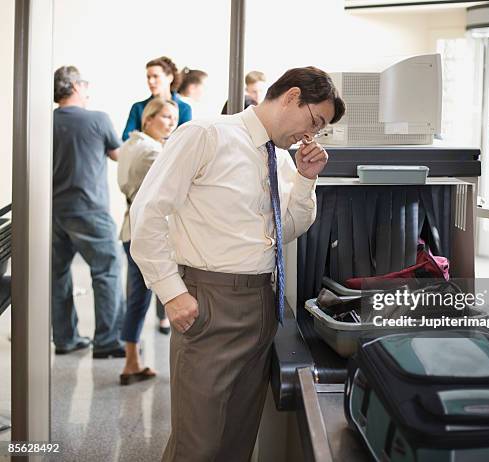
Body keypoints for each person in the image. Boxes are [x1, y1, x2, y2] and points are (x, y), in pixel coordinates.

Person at [129, 66, 345, 461]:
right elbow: (148, 213)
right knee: (199, 444)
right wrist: (172, 292)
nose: (311, 135)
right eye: (315, 121)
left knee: (237, 441)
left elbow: (287, 229)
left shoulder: (277, 158)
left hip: (261, 304)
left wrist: (305, 179)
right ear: (292, 96)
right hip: (210, 302)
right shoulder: (207, 135)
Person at [52, 66, 126, 358]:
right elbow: (118, 155)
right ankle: (108, 342)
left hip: (53, 211)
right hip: (90, 210)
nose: (87, 89)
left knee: (57, 275)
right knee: (107, 272)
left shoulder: (43, 122)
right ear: (75, 86)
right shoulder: (97, 119)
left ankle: (65, 339)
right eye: (84, 84)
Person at [117, 98, 179, 385]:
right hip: (147, 232)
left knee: (137, 299)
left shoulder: (130, 145)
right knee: (168, 298)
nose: (171, 122)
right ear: (149, 118)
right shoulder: (153, 152)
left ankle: (132, 361)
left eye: (173, 117)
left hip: (131, 228)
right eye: (165, 117)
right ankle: (134, 363)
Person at [122, 56, 191, 141]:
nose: (150, 81)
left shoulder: (184, 108)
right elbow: (126, 138)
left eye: (155, 76)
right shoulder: (138, 107)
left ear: (170, 78)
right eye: (148, 77)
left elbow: (185, 140)